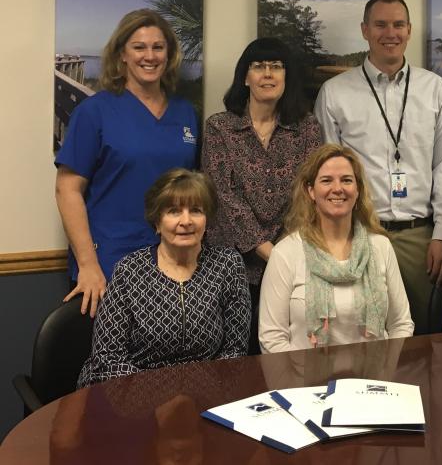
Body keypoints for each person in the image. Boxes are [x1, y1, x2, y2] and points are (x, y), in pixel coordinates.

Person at [314, 0, 442, 334]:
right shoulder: (335, 93)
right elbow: (328, 173)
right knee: (360, 334)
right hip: (359, 234)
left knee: (423, 338)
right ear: (365, 30)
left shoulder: (435, 89)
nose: (390, 33)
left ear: (409, 30)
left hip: (420, 239)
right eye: (380, 24)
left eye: (398, 24)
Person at [55, 9, 199, 317]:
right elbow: (67, 191)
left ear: (169, 54)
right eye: (139, 47)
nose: (150, 56)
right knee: (115, 362)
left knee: (172, 363)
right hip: (109, 265)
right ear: (122, 54)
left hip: (175, 263)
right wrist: (88, 265)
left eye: (158, 47)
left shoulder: (185, 114)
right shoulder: (95, 112)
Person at [77, 169, 250, 387]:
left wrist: (198, 392)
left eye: (195, 210)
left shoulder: (228, 265)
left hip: (204, 392)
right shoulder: (129, 271)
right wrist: (165, 394)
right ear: (157, 222)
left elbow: (234, 351)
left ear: (207, 220)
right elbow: (107, 359)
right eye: (174, 211)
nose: (186, 221)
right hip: (130, 393)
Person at [202, 37, 321, 353]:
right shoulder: (220, 128)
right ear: (245, 77)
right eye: (259, 66)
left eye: (276, 67)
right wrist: (273, 253)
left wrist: (287, 254)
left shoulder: (308, 128)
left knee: (287, 356)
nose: (268, 74)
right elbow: (223, 197)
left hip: (295, 262)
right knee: (235, 359)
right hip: (231, 267)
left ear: (286, 76)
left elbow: (310, 194)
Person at [259, 144, 414, 352]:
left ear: (358, 190)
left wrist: (386, 372)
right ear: (311, 190)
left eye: (347, 180)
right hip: (308, 381)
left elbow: (401, 324)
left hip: (374, 379)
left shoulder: (380, 247)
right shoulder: (286, 253)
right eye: (326, 180)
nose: (338, 188)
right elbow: (272, 338)